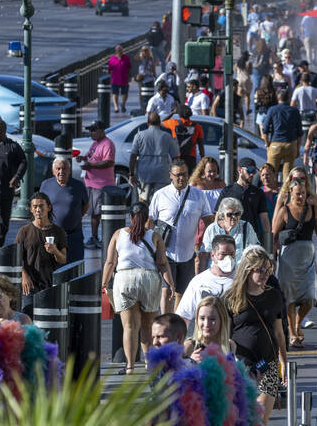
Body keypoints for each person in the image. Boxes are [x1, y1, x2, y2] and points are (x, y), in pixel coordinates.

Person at [102, 201, 175, 374]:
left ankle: (130, 366)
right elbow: (162, 264)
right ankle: (149, 363)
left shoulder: (118, 234)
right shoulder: (155, 236)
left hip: (124, 279)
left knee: (129, 327)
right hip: (149, 279)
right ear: (147, 218)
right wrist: (170, 283)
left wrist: (104, 283)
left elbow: (110, 262)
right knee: (147, 326)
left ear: (130, 217)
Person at [223, 247, 286, 426]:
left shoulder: (273, 295)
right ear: (247, 270)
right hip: (241, 365)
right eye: (260, 270)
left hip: (268, 363)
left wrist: (284, 362)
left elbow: (279, 332)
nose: (265, 274)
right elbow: (225, 334)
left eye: (268, 269)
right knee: (243, 419)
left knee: (260, 420)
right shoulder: (231, 298)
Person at [273, 178, 317, 348]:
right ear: (290, 193)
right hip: (288, 258)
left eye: (303, 193)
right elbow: (274, 235)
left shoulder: (313, 209)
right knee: (289, 298)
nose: (301, 196)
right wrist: (271, 258)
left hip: (307, 257)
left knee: (310, 296)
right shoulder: (284, 211)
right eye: (298, 193)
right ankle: (292, 333)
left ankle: (298, 322)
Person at [149, 159, 212, 310]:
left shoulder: (199, 196)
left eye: (184, 174)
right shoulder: (160, 195)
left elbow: (209, 221)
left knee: (181, 294)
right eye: (177, 175)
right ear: (170, 175)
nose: (181, 178)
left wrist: (210, 242)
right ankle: (165, 325)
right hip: (165, 253)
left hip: (187, 254)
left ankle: (176, 327)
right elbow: (149, 222)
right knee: (166, 291)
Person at [177, 234, 238, 329]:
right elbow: (184, 315)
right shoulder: (199, 281)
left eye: (231, 254)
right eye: (223, 254)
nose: (228, 259)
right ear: (213, 255)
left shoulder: (242, 278)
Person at [16, 192, 68, 296]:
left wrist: (55, 251)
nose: (38, 210)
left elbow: (63, 259)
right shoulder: (24, 231)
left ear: (49, 207)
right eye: (35, 207)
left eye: (41, 206)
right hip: (30, 285)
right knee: (28, 311)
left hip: (51, 284)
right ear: (31, 209)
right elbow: (15, 258)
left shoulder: (58, 231)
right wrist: (24, 276)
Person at [39, 156, 89, 263]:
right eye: (58, 169)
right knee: (54, 268)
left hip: (74, 235)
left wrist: (74, 217)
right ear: (53, 171)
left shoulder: (78, 186)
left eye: (64, 168)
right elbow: (40, 206)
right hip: (53, 235)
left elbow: (85, 206)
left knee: (76, 266)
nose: (61, 171)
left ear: (69, 170)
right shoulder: (46, 185)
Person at [77, 119, 115, 249]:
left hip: (101, 184)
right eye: (90, 131)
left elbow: (109, 162)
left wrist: (90, 165)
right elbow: (90, 157)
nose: (91, 133)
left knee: (97, 213)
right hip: (91, 182)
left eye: (93, 130)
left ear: (101, 131)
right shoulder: (95, 143)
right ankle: (94, 237)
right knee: (93, 212)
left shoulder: (107, 144)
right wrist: (82, 158)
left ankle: (97, 238)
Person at [0, 119, 26, 248]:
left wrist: (17, 177)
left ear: (2, 131)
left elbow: (23, 161)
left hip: (5, 190)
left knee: (4, 221)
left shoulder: (13, 146)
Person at [130, 111, 178, 203]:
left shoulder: (139, 135)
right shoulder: (167, 136)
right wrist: (174, 173)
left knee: (143, 199)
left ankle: (143, 216)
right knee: (161, 199)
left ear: (148, 123)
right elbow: (175, 157)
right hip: (162, 171)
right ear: (160, 122)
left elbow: (133, 156)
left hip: (144, 172)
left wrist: (131, 174)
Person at [218, 157, 271, 240]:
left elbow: (264, 218)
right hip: (230, 237)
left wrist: (268, 241)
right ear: (239, 170)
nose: (252, 174)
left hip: (251, 237)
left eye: (254, 171)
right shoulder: (227, 191)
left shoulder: (258, 192)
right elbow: (218, 215)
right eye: (249, 171)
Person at [261, 89, 303, 187]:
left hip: (276, 143)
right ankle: (286, 196)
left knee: (270, 173)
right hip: (290, 144)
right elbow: (300, 132)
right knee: (287, 175)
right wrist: (297, 148)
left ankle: (271, 196)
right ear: (288, 98)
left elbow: (265, 129)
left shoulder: (272, 110)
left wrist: (267, 144)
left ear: (278, 97)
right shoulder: (294, 111)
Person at [189, 296, 232, 361]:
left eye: (212, 319)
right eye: (202, 318)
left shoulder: (230, 345)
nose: (207, 324)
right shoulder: (189, 346)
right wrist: (188, 362)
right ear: (197, 320)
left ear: (222, 320)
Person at [166, 105, 206, 175]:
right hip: (191, 157)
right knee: (190, 179)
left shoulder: (174, 123)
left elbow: (161, 122)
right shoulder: (197, 127)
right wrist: (203, 159)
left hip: (177, 156)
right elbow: (201, 145)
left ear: (179, 114)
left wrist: (172, 113)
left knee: (177, 178)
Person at [108, 43, 131, 113]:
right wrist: (109, 77)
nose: (120, 51)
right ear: (116, 51)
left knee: (125, 93)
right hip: (115, 79)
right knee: (115, 93)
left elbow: (129, 68)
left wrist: (130, 76)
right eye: (118, 50)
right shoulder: (112, 59)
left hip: (124, 78)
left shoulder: (126, 58)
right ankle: (116, 107)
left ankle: (123, 104)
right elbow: (109, 69)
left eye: (121, 50)